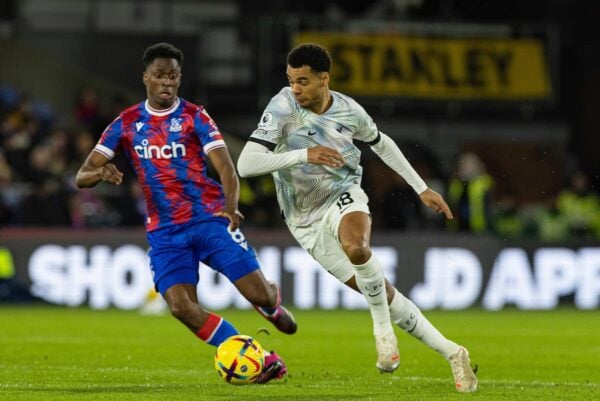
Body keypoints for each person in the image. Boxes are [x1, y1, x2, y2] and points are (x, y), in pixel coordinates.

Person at [237, 43, 477, 392]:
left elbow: (381, 143)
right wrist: (304, 154)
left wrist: (420, 188)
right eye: (291, 80)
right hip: (304, 220)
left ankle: (381, 330)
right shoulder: (283, 107)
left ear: (324, 79)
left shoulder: (349, 111)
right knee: (382, 291)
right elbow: (246, 164)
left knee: (358, 248)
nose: (295, 89)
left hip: (343, 194)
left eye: (303, 81)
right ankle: (454, 353)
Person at [75, 42, 296, 384]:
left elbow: (226, 169)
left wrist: (231, 206)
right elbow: (82, 175)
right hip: (165, 233)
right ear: (146, 77)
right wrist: (101, 173)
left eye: (173, 77)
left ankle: (270, 303)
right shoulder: (127, 122)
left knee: (257, 293)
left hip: (209, 219)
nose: (167, 83)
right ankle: (261, 358)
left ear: (180, 79)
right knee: (180, 306)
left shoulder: (195, 116)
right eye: (160, 76)